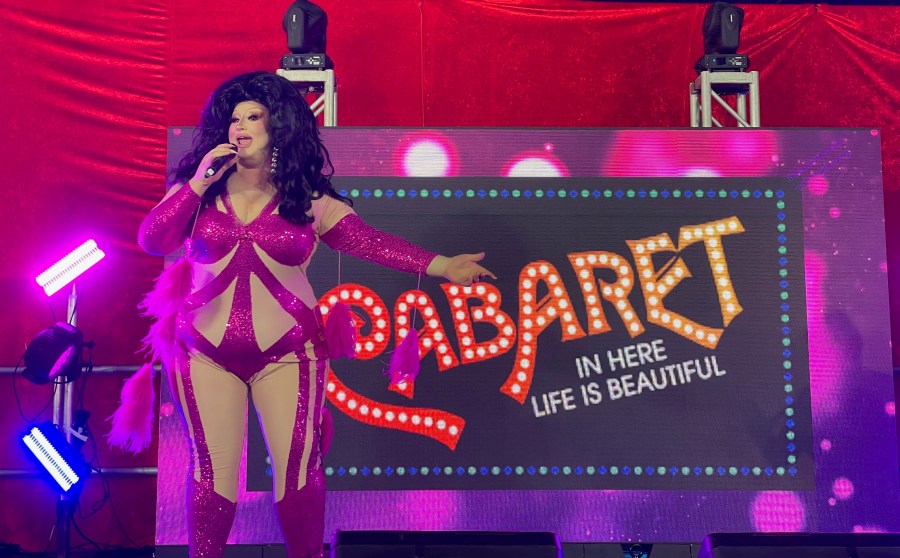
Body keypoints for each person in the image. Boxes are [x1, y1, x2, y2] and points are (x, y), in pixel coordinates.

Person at [132, 71, 495, 558]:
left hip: (290, 355)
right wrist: (198, 182)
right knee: (212, 471)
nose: (240, 127)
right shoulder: (195, 192)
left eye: (253, 117)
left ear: (278, 126)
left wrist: (443, 265)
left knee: (298, 469)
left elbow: (369, 242)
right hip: (204, 355)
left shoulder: (309, 200)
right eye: (234, 118)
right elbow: (152, 239)